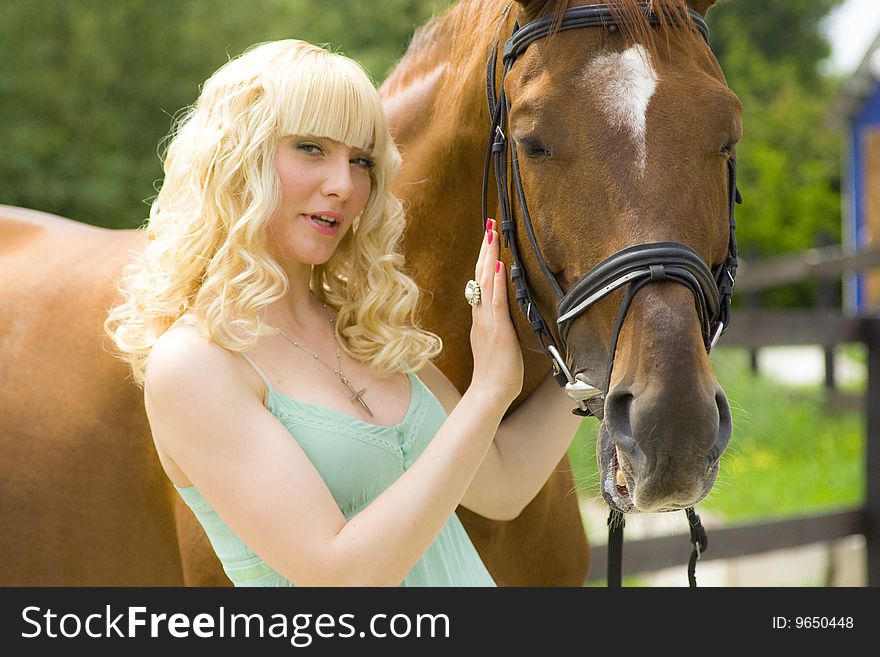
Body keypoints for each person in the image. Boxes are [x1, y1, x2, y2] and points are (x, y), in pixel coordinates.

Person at [105, 39, 582, 587]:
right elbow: (341, 575)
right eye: (311, 148)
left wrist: (593, 365)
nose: (343, 185)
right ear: (236, 157)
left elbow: (501, 485)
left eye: (360, 161)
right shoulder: (195, 364)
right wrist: (488, 391)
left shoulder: (365, 328)